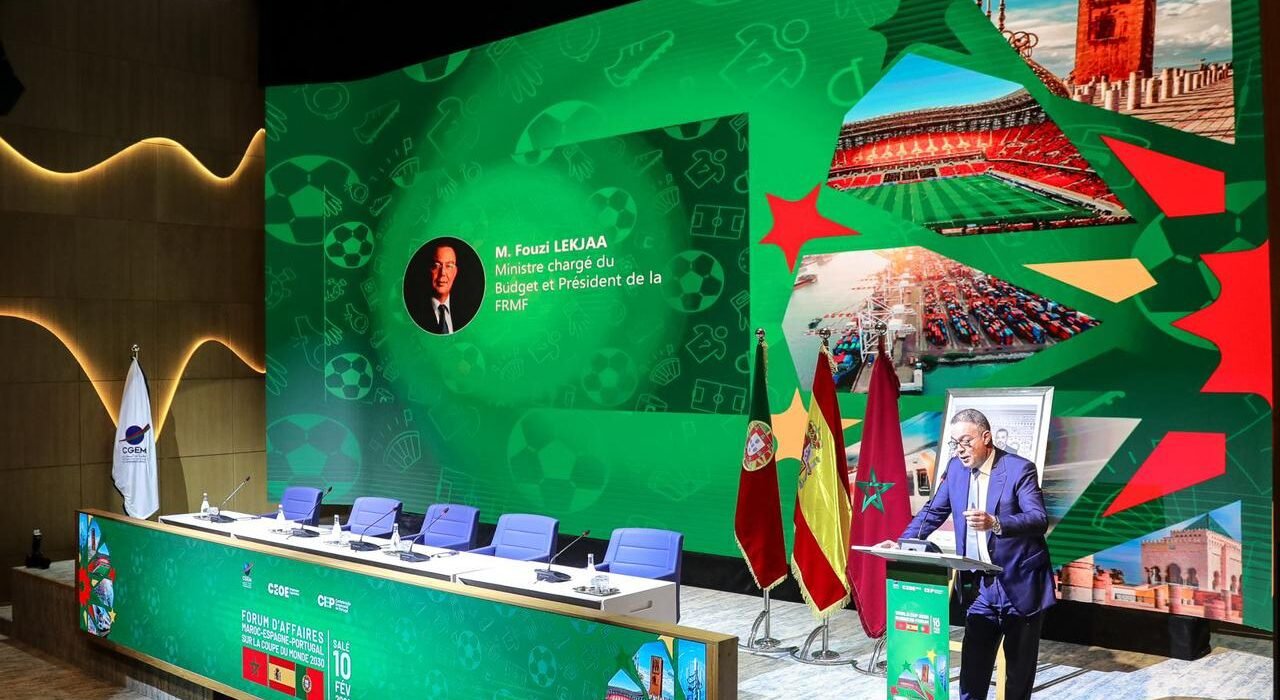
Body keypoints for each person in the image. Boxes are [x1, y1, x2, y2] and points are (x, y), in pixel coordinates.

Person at [878, 408, 1054, 700]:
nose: (959, 449)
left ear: (986, 437)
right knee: (973, 672)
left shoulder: (1019, 469)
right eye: (954, 443)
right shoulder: (955, 469)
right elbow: (932, 512)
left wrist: (995, 523)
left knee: (1017, 678)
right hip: (981, 586)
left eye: (966, 441)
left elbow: (1038, 519)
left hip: (1020, 583)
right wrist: (903, 544)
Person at [421, 242, 476, 335]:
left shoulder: (466, 312)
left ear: (455, 272)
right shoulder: (415, 313)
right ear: (429, 270)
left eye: (449, 266)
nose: (442, 273)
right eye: (437, 265)